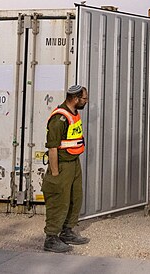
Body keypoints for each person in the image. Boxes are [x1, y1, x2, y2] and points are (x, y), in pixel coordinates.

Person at [42, 85, 90, 253]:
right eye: (84, 99)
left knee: (75, 198)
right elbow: (53, 148)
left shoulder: (73, 115)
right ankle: (51, 238)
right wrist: (55, 174)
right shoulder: (59, 118)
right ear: (75, 99)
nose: (86, 101)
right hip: (62, 165)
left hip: (73, 163)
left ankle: (67, 231)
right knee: (58, 200)